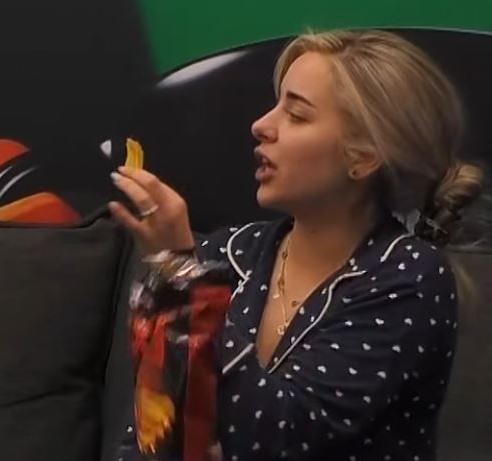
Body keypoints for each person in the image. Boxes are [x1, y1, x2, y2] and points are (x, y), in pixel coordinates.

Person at [110, 30, 485, 461]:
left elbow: (280, 433)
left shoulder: (410, 276)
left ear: (363, 157)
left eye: (296, 114)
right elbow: (151, 433)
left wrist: (182, 275)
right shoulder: (229, 253)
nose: (260, 126)